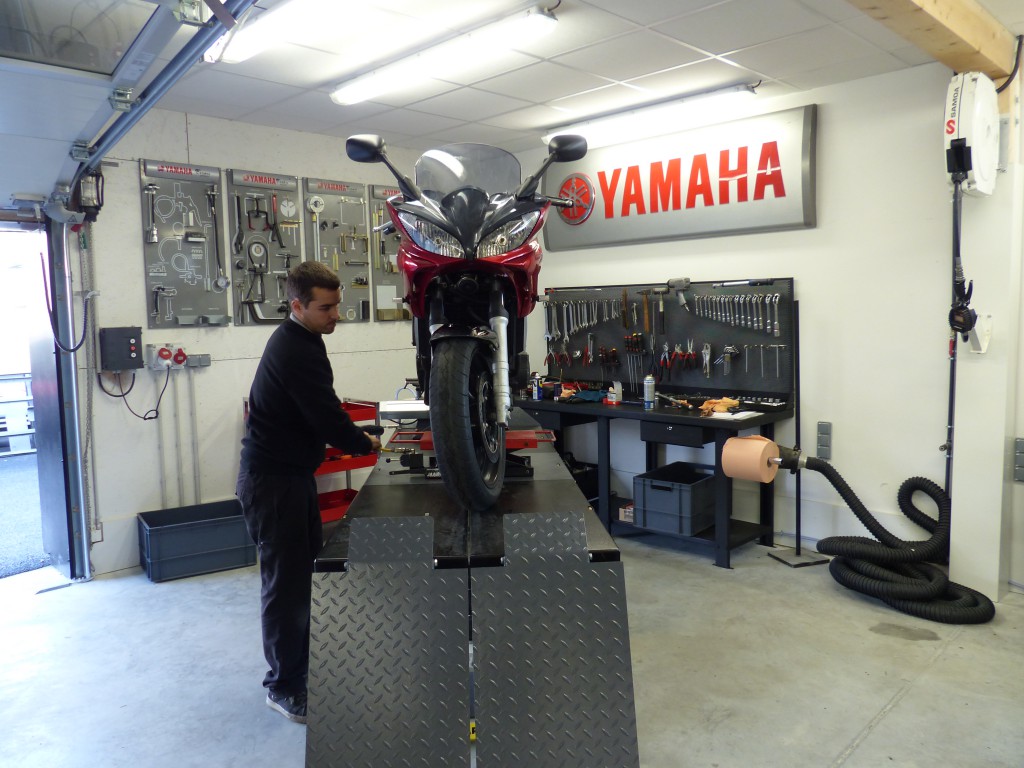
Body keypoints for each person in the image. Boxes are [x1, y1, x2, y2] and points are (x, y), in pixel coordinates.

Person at [235, 261, 381, 724]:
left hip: (289, 477)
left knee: (301, 581)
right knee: (286, 588)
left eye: (337, 305)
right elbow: (325, 416)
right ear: (297, 305)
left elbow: (320, 408)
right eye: (326, 308)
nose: (336, 315)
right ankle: (283, 687)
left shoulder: (304, 339)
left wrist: (357, 435)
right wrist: (364, 443)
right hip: (273, 484)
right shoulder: (295, 348)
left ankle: (301, 670)